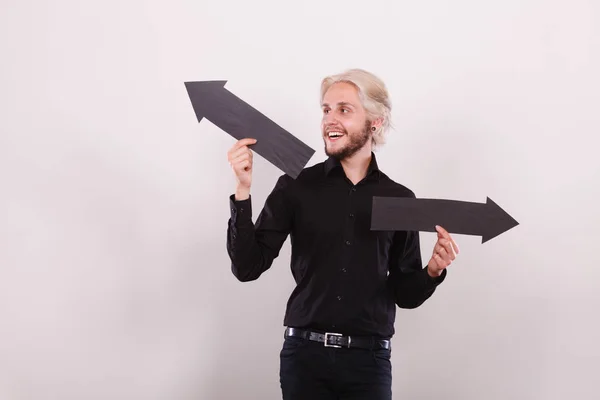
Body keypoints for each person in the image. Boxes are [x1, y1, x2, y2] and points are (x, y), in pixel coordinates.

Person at [225, 68, 460, 400]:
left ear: (375, 121)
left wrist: (433, 271)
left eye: (343, 110)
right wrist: (243, 191)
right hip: (304, 359)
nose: (329, 120)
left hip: (369, 363)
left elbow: (405, 294)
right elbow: (247, 267)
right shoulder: (296, 186)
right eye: (325, 109)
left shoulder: (400, 200)